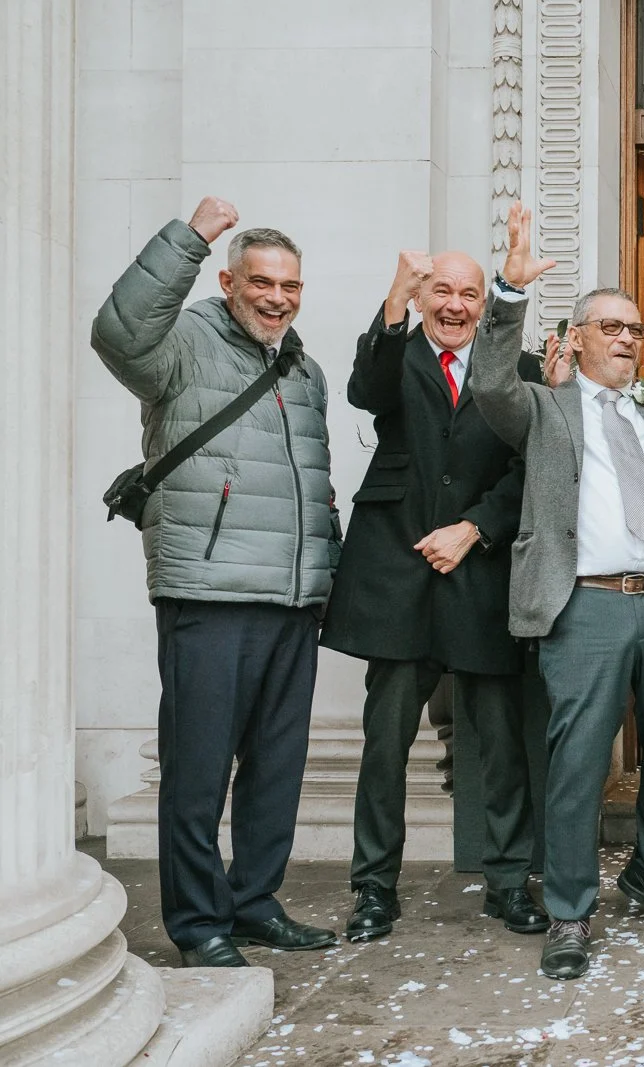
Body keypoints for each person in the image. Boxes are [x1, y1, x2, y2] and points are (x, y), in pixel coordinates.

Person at [474, 204, 644, 980]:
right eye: (611, 326)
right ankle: (569, 910)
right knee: (578, 762)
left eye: (635, 328)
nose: (627, 337)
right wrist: (507, 292)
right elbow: (490, 382)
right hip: (585, 604)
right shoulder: (543, 407)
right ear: (576, 337)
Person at [91, 197, 337, 967]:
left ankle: (255, 901)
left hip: (293, 601)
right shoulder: (183, 344)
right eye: (262, 282)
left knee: (275, 769)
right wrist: (189, 237)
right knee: (198, 773)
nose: (276, 297)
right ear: (229, 280)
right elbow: (118, 332)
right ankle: (198, 922)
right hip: (209, 592)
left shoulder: (305, 369)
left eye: (290, 286)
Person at [321, 247, 547, 942]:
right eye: (440, 291)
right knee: (384, 743)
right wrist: (393, 298)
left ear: (486, 303)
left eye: (469, 294)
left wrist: (475, 527)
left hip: (479, 575)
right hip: (398, 572)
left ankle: (509, 882)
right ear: (422, 300)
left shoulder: (520, 368)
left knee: (501, 743)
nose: (455, 305)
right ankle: (373, 889)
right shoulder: (395, 355)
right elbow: (366, 388)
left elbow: (527, 470)